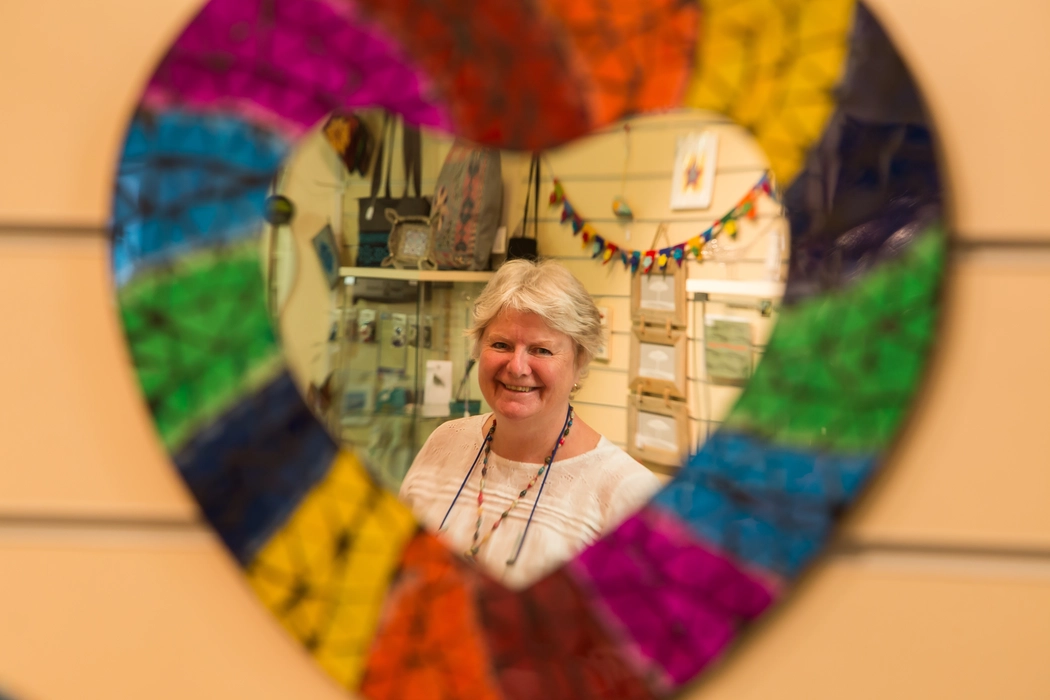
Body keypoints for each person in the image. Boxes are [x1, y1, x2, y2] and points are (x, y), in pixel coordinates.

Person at [399, 259, 661, 589]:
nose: (517, 366)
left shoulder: (626, 495)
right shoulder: (444, 443)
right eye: (501, 345)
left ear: (580, 363)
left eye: (541, 350)